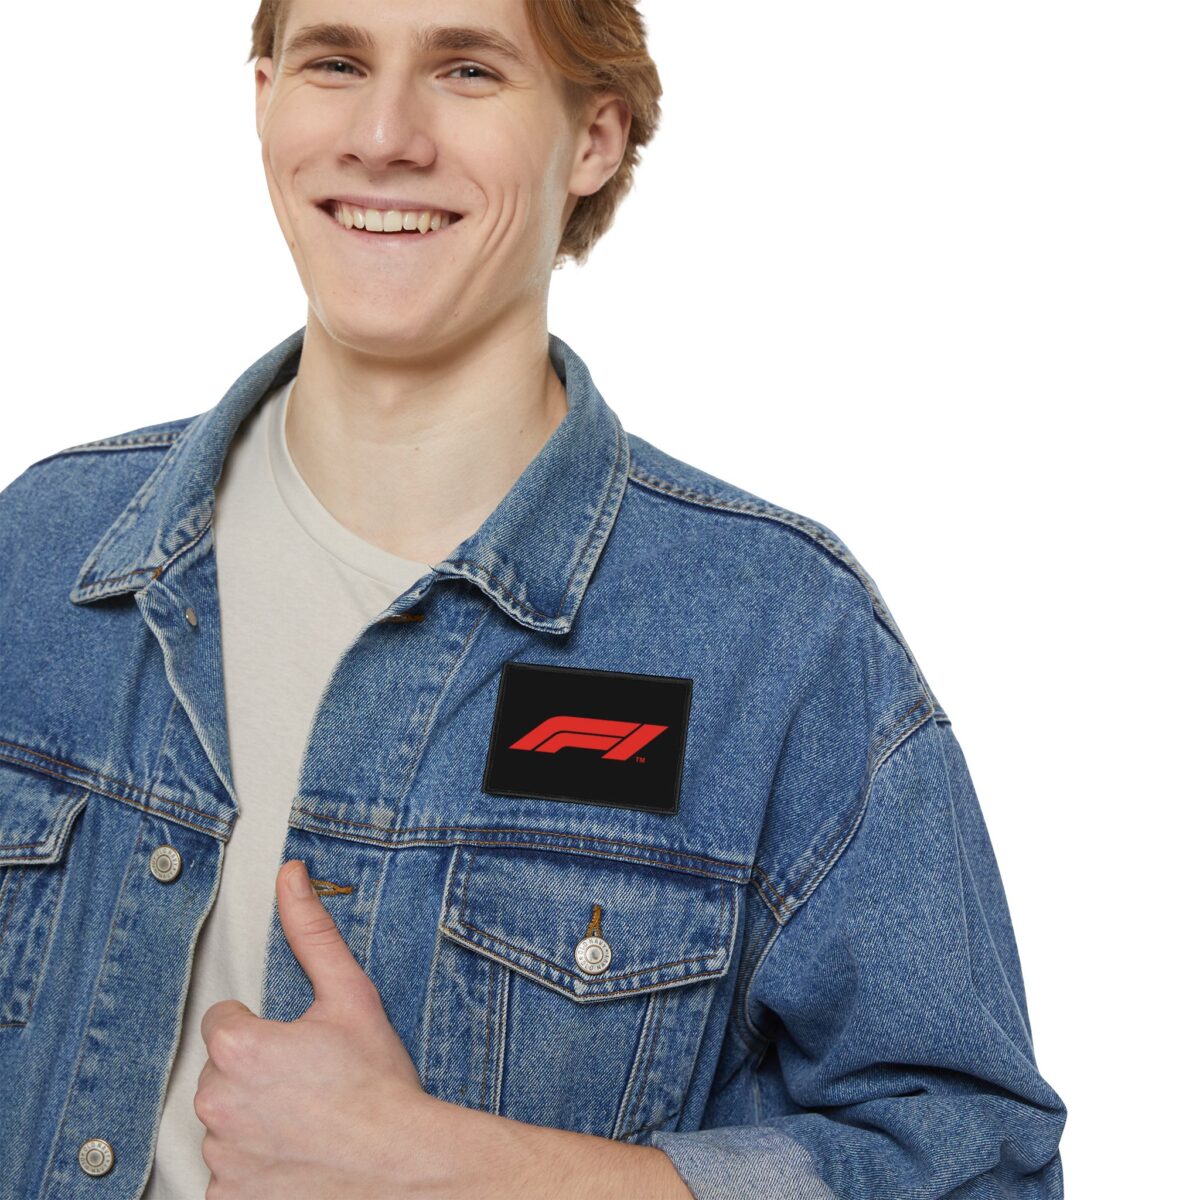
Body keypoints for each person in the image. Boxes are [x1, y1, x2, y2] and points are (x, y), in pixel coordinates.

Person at [0, 0, 1067, 1196]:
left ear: (594, 138)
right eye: (336, 61)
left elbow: (980, 1166)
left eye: (467, 69)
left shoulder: (775, 639)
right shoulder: (37, 558)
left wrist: (456, 1170)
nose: (384, 135)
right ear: (264, 98)